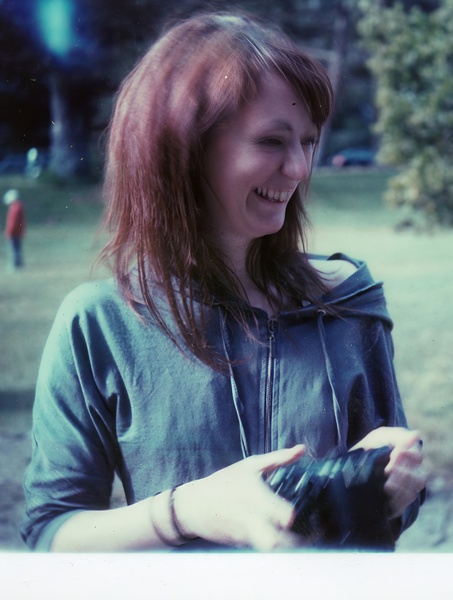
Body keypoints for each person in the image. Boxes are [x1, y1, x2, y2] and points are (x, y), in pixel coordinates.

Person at [21, 12, 426, 553]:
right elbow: (50, 533)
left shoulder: (346, 300)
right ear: (184, 151)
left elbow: (397, 510)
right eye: (271, 142)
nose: (300, 169)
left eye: (307, 142)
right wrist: (188, 510)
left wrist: (390, 482)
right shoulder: (99, 324)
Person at [3, 188, 26, 271]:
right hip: (17, 231)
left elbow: (13, 221)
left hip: (14, 231)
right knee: (17, 248)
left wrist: (9, 231)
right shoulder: (17, 206)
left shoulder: (15, 207)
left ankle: (16, 265)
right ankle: (18, 263)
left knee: (14, 249)